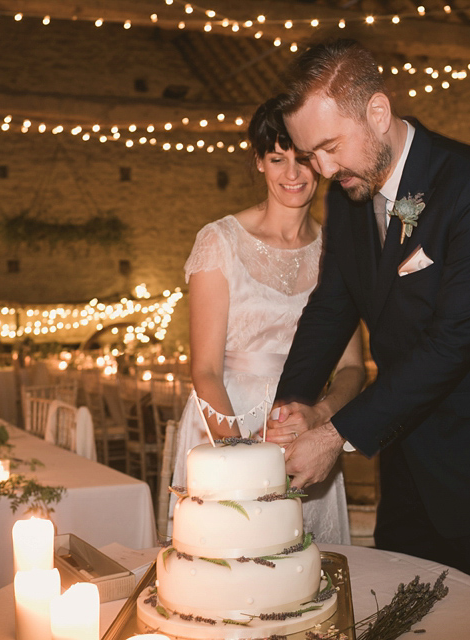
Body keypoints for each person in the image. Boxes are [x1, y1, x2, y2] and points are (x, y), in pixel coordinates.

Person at [268, 40, 470, 637]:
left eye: (330, 148)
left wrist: (336, 435)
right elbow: (332, 306)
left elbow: (453, 342)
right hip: (408, 461)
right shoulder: (350, 195)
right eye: (311, 154)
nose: (324, 170)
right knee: (399, 622)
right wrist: (293, 403)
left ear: (377, 113)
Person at [170, 97, 365, 544]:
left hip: (304, 433)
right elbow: (204, 370)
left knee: (302, 577)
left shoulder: (339, 251)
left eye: (302, 160)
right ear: (259, 162)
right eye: (277, 159)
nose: (292, 175)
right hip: (226, 427)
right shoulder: (220, 241)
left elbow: (354, 367)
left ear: (320, 162)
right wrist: (245, 462)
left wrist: (321, 419)